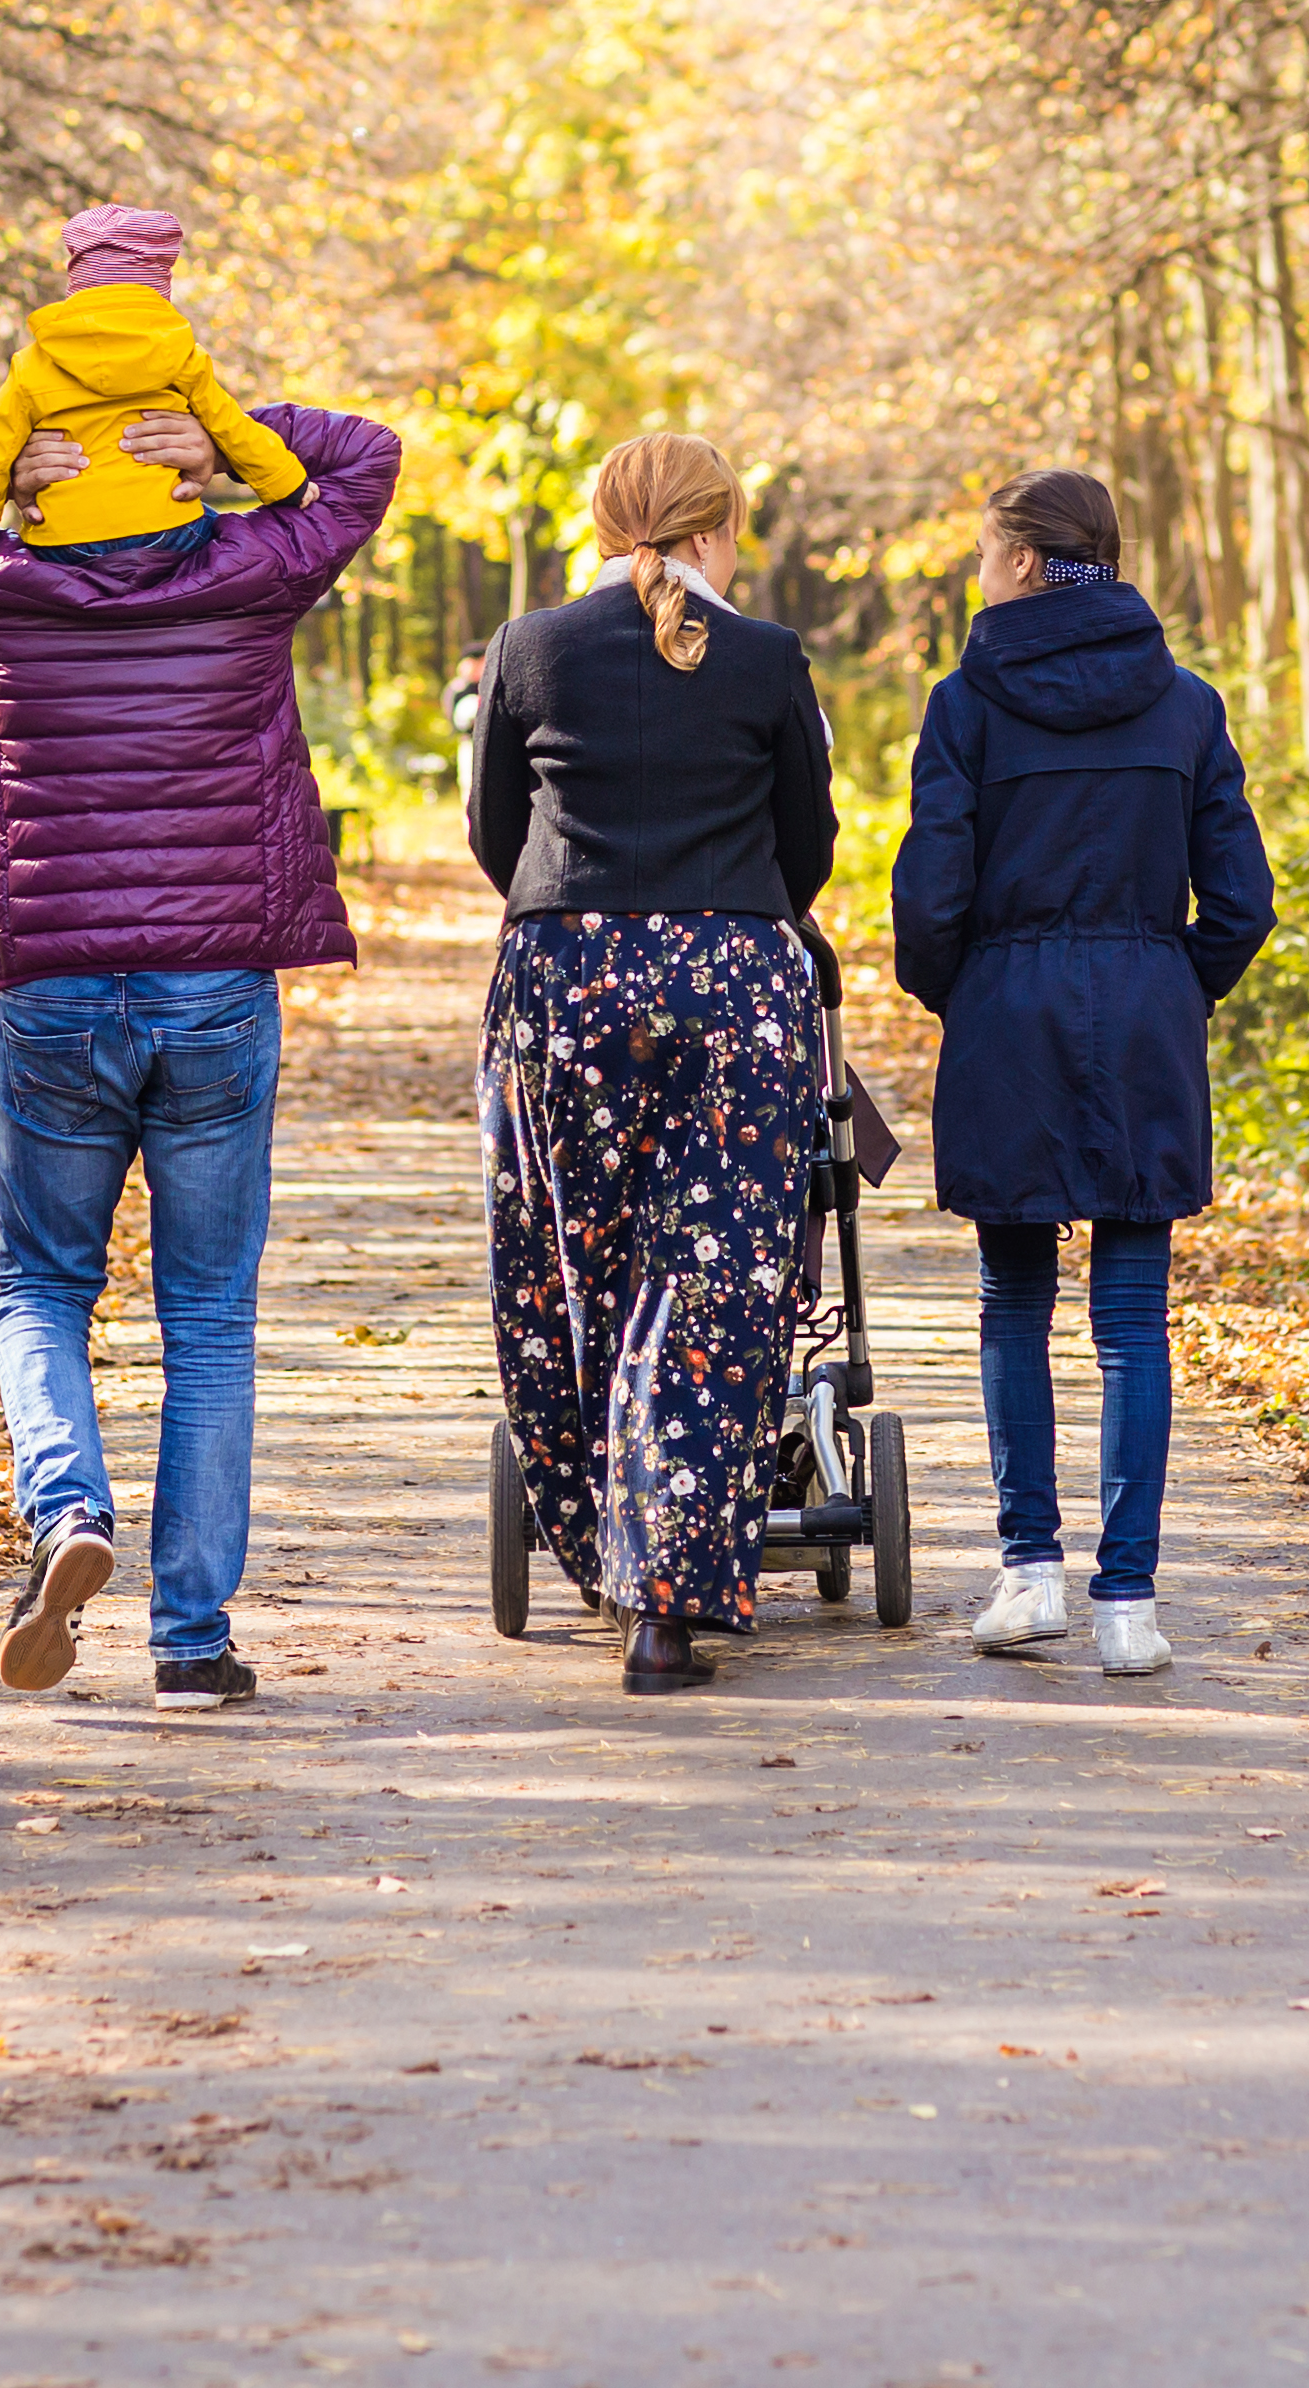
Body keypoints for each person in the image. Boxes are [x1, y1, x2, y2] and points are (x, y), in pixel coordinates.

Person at [0, 384, 403, 1711]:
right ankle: (194, 1646)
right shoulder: (249, 572)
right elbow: (362, 458)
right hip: (214, 988)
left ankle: (68, 1511)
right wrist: (217, 438)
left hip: (59, 992)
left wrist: (1, 459)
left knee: (42, 1287)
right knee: (208, 1322)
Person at [467, 434, 839, 1695]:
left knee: (570, 1265)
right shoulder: (768, 657)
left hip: (564, 983)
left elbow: (494, 836)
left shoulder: (530, 647)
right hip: (734, 982)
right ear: (716, 527)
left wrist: (583, 912)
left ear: (607, 519)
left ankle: (591, 1533)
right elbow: (809, 843)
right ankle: (664, 1604)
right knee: (713, 1282)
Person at [887, 468, 1272, 1677]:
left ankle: (1030, 1574)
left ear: (1020, 563)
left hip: (1009, 1010)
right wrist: (1172, 978)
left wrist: (965, 986)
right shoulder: (1187, 704)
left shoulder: (966, 706)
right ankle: (1129, 1605)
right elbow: (1244, 899)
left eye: (985, 553)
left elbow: (931, 890)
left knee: (1015, 1304)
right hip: (1146, 1015)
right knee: (1134, 1317)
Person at [0, 204, 310, 566]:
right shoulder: (180, 355)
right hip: (168, 532)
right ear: (157, 292)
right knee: (223, 529)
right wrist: (288, 485)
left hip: (63, 542)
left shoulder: (31, 364)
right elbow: (233, 426)